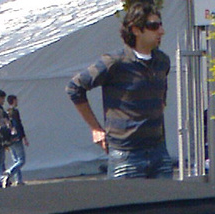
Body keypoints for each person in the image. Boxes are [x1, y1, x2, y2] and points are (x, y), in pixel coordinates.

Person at [67, 1, 173, 179]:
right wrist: (95, 128)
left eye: (160, 25)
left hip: (159, 153)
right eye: (153, 26)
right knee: (126, 207)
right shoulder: (114, 62)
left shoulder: (162, 61)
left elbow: (161, 99)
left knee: (164, 206)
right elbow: (74, 87)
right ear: (135, 30)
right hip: (126, 156)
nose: (161, 31)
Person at [4, 94, 28, 186]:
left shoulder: (6, 112)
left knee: (15, 159)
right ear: (13, 101)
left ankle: (18, 179)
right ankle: (10, 172)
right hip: (16, 138)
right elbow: (18, 125)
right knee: (21, 160)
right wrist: (23, 136)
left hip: (9, 139)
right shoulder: (14, 112)